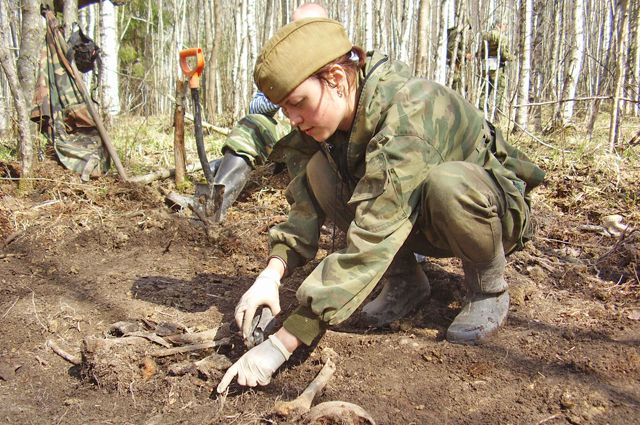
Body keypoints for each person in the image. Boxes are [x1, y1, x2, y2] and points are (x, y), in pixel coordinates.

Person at [217, 18, 544, 392]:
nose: (292, 118)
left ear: (336, 78)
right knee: (320, 171)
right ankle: (405, 281)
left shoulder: (408, 117)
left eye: (297, 103)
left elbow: (373, 236)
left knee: (446, 184)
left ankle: (488, 286)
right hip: (416, 211)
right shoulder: (331, 118)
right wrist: (271, 275)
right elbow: (305, 205)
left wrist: (281, 345)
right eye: (284, 108)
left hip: (489, 213)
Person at [208, 3, 328, 222]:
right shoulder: (282, 64)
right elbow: (256, 107)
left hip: (329, 141)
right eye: (296, 28)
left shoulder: (338, 59)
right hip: (293, 133)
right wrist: (281, 96)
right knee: (253, 124)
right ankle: (212, 207)